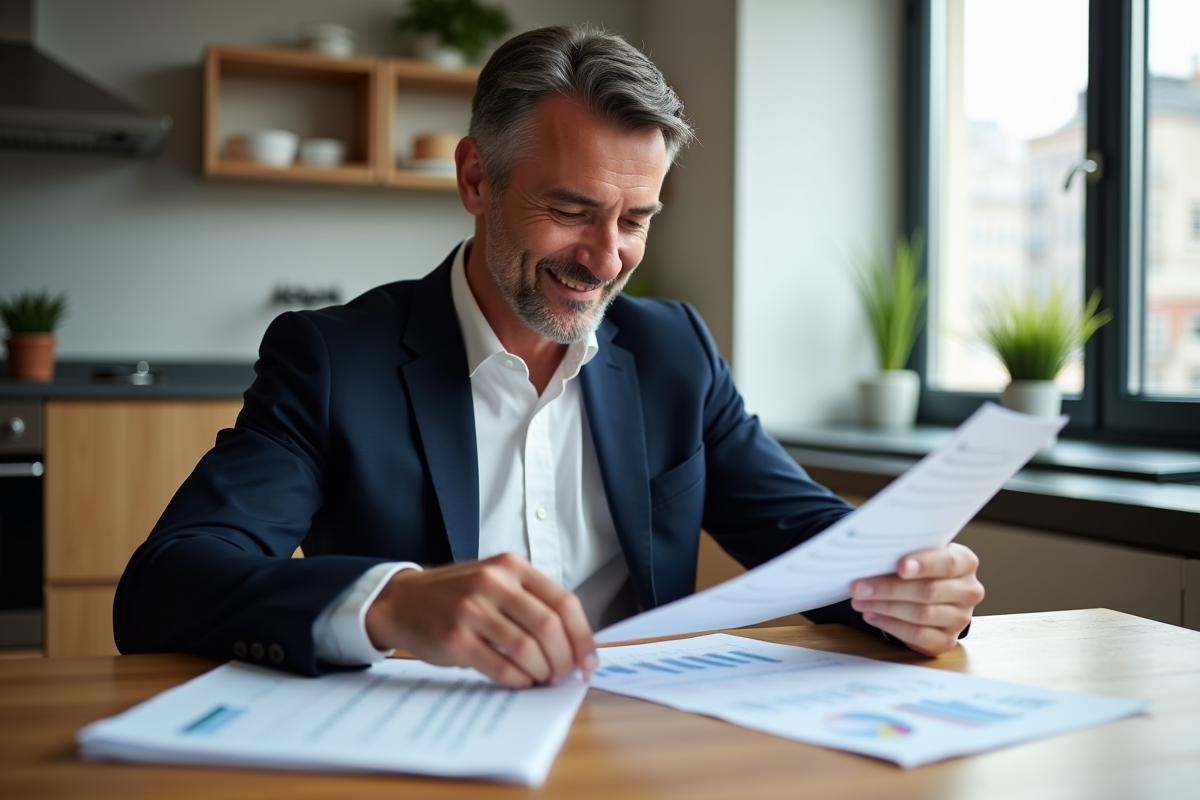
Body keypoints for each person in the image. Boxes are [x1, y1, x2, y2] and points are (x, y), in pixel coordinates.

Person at [115, 25, 984, 689]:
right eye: (571, 210)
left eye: (635, 219)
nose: (606, 260)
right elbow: (166, 585)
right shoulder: (334, 361)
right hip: (416, 756)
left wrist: (908, 583)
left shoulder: (675, 351)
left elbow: (814, 544)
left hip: (640, 749)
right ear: (475, 180)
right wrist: (392, 601)